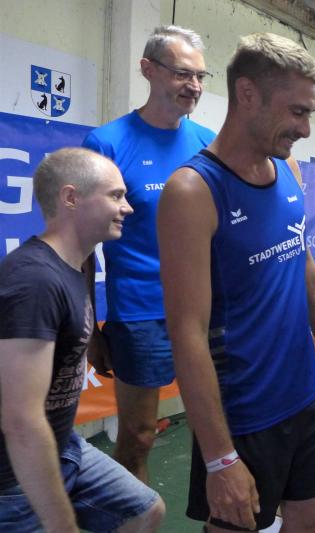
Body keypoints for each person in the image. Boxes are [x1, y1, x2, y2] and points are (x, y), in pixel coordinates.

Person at [157, 32, 315, 532]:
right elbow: (187, 334)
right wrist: (220, 459)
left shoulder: (288, 168)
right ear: (247, 94)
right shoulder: (192, 191)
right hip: (245, 412)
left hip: (305, 393)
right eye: (297, 112)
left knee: (313, 518)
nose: (305, 128)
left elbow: (301, 255)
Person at [0, 148, 165, 532]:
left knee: (145, 511)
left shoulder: (72, 266)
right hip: (11, 476)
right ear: (71, 198)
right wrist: (61, 522)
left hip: (65, 445)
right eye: (115, 196)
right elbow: (21, 421)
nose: (128, 208)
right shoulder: (35, 281)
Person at [81, 25, 216, 482]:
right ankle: (130, 514)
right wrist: (90, 330)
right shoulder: (107, 144)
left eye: (200, 76)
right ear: (147, 69)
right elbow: (83, 246)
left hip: (208, 312)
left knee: (218, 431)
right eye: (182, 74)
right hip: (140, 314)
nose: (194, 86)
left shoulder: (209, 144)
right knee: (138, 436)